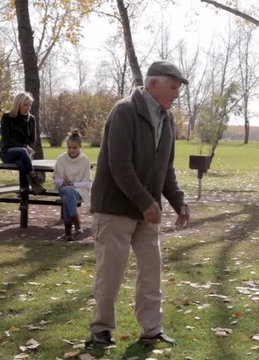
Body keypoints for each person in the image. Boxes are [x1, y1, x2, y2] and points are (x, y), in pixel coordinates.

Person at [88, 60, 190, 347]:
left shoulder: (167, 119)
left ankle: (151, 328)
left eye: (179, 89)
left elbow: (165, 168)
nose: (176, 94)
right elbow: (120, 165)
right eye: (173, 87)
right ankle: (101, 328)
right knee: (111, 274)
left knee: (151, 272)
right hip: (114, 208)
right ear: (153, 83)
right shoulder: (125, 111)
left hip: (147, 212)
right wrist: (146, 201)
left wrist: (178, 201)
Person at [0, 92, 46, 196]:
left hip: (24, 155)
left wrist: (28, 147)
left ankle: (23, 196)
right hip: (7, 151)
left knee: (22, 162)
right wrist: (24, 147)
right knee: (23, 152)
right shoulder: (7, 117)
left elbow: (32, 140)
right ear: (18, 104)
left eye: (30, 105)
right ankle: (34, 182)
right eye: (25, 105)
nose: (28, 108)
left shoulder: (31, 119)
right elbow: (7, 140)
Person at [53, 129, 91, 241]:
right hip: (64, 188)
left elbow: (87, 183)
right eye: (69, 147)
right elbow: (56, 179)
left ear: (80, 147)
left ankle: (68, 232)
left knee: (67, 196)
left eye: (74, 148)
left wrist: (73, 184)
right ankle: (76, 222)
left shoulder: (85, 160)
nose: (71, 150)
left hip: (79, 191)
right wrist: (63, 182)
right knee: (67, 191)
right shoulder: (61, 159)